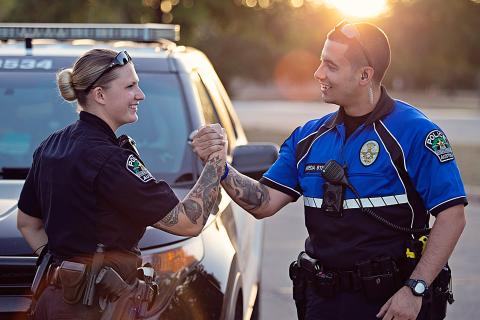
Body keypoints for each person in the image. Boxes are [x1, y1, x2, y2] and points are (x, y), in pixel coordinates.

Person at [192, 21, 467, 320]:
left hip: (392, 304)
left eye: (331, 66)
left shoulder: (415, 133)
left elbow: (452, 216)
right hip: (322, 301)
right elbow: (264, 202)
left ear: (365, 75)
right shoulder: (307, 138)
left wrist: (415, 289)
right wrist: (220, 165)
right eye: (321, 61)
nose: (318, 73)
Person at [16, 48, 227, 320]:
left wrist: (65, 269)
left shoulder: (50, 145)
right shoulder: (110, 161)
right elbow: (189, 222)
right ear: (100, 95)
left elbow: (27, 223)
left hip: (53, 303)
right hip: (100, 310)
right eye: (130, 86)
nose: (140, 95)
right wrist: (216, 160)